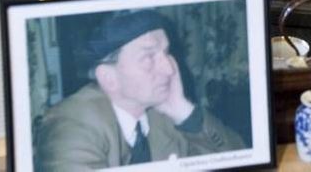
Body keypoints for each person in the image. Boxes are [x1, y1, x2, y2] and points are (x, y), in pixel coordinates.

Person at [35, 10, 245, 169]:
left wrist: (184, 111)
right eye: (148, 57)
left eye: (166, 53)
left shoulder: (160, 115)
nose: (170, 68)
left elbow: (241, 161)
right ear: (109, 78)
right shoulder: (72, 124)